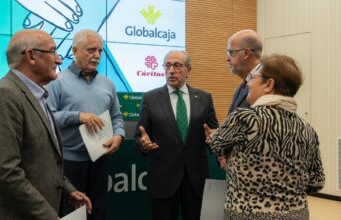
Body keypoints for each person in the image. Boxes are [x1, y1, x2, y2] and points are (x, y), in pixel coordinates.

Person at [0, 29, 92, 220]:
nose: (59, 60)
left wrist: (68, 189)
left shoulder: (38, 95)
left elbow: (44, 159)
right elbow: (6, 173)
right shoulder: (4, 96)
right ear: (31, 56)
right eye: (53, 52)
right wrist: (49, 216)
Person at [208, 54, 325, 220]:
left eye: (254, 78)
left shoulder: (245, 118)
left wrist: (223, 153)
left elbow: (216, 143)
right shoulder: (308, 130)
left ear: (269, 84)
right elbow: (316, 182)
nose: (248, 83)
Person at [46, 29, 125, 220]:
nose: (96, 55)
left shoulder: (108, 84)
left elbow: (117, 117)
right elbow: (46, 117)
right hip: (69, 163)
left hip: (100, 159)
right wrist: (78, 116)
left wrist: (119, 136)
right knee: (72, 215)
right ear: (75, 51)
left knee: (97, 213)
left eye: (100, 51)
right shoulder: (57, 82)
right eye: (91, 50)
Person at [133, 50, 219, 220]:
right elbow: (138, 137)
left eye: (177, 65)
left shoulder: (204, 98)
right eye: (168, 65)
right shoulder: (150, 98)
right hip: (163, 180)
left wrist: (213, 140)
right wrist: (143, 145)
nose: (171, 70)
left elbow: (214, 135)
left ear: (188, 69)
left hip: (196, 180)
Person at [217, 29, 263, 168]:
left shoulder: (267, 83)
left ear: (246, 53)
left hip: (257, 172)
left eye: (231, 52)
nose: (227, 58)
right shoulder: (242, 86)